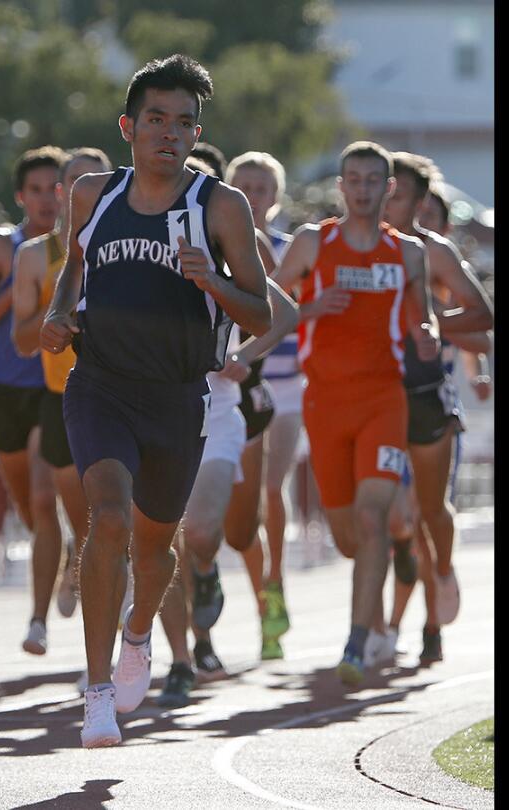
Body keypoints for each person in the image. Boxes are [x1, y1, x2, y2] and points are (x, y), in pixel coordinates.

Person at [40, 54, 273, 747]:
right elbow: (72, 271)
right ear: (128, 127)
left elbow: (261, 316)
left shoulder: (219, 206)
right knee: (105, 520)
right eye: (156, 120)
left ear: (196, 132)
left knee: (155, 549)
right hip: (101, 385)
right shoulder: (90, 194)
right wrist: (60, 314)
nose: (170, 133)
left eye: (184, 123)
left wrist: (214, 284)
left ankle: (139, 630)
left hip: (177, 397)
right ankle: (98, 694)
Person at [270, 141, 439, 686]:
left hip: (383, 401)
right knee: (347, 534)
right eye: (355, 180)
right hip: (325, 402)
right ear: (341, 187)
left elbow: (424, 320)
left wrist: (429, 336)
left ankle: (357, 643)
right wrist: (309, 308)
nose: (364, 189)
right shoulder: (313, 242)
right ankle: (392, 553)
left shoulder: (408, 253)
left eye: (374, 181)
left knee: (371, 521)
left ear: (389, 189)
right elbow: (266, 299)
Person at [153, 156, 299, 709]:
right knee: (158, 541)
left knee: (204, 533)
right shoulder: (127, 230)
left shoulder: (235, 235)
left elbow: (283, 314)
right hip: (154, 408)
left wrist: (241, 351)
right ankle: (186, 656)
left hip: (218, 411)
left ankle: (218, 581)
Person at [371, 152, 494, 668]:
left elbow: (482, 318)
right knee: (395, 519)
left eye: (399, 194)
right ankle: (387, 624)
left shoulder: (432, 251)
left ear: (420, 201)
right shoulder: (351, 243)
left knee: (428, 513)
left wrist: (434, 320)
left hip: (429, 397)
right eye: (385, 190)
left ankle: (438, 582)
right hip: (374, 398)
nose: (388, 201)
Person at [0, 146, 67, 656]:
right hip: (6, 392)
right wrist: (17, 288)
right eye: (37, 190)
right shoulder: (4, 249)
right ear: (21, 197)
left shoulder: (73, 246)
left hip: (53, 388)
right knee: (28, 507)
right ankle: (64, 561)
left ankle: (37, 620)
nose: (48, 199)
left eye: (56, 188)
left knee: (46, 500)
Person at [10, 147, 116, 644]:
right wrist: (60, 303)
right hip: (62, 396)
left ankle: (114, 641)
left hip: (116, 393)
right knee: (75, 514)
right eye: (76, 180)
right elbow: (20, 340)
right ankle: (46, 609)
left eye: (97, 179)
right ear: (62, 190)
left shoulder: (120, 245)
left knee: (110, 520)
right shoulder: (35, 257)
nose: (85, 189)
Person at [223, 150, 303, 660]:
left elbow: (293, 309)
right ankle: (263, 590)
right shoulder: (219, 242)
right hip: (239, 382)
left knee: (274, 486)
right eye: (243, 187)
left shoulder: (292, 249)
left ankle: (275, 577)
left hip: (287, 382)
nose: (252, 197)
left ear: (275, 198)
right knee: (243, 507)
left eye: (261, 189)